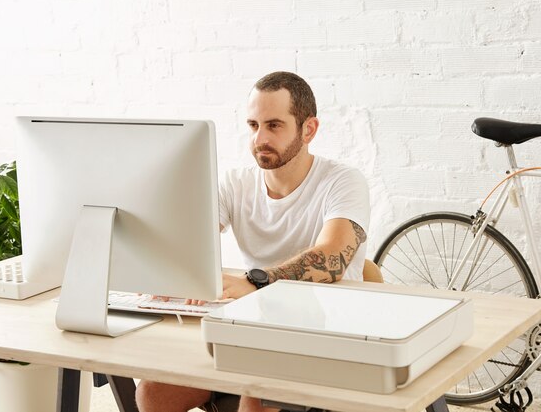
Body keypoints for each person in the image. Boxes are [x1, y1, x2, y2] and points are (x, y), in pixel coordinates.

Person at [135, 71, 371, 412]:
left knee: (254, 399)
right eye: (253, 125)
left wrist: (255, 282)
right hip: (252, 328)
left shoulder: (343, 182)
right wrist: (164, 267)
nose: (260, 138)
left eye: (274, 125)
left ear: (309, 129)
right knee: (153, 394)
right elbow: (189, 240)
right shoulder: (235, 183)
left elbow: (333, 257)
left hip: (324, 332)